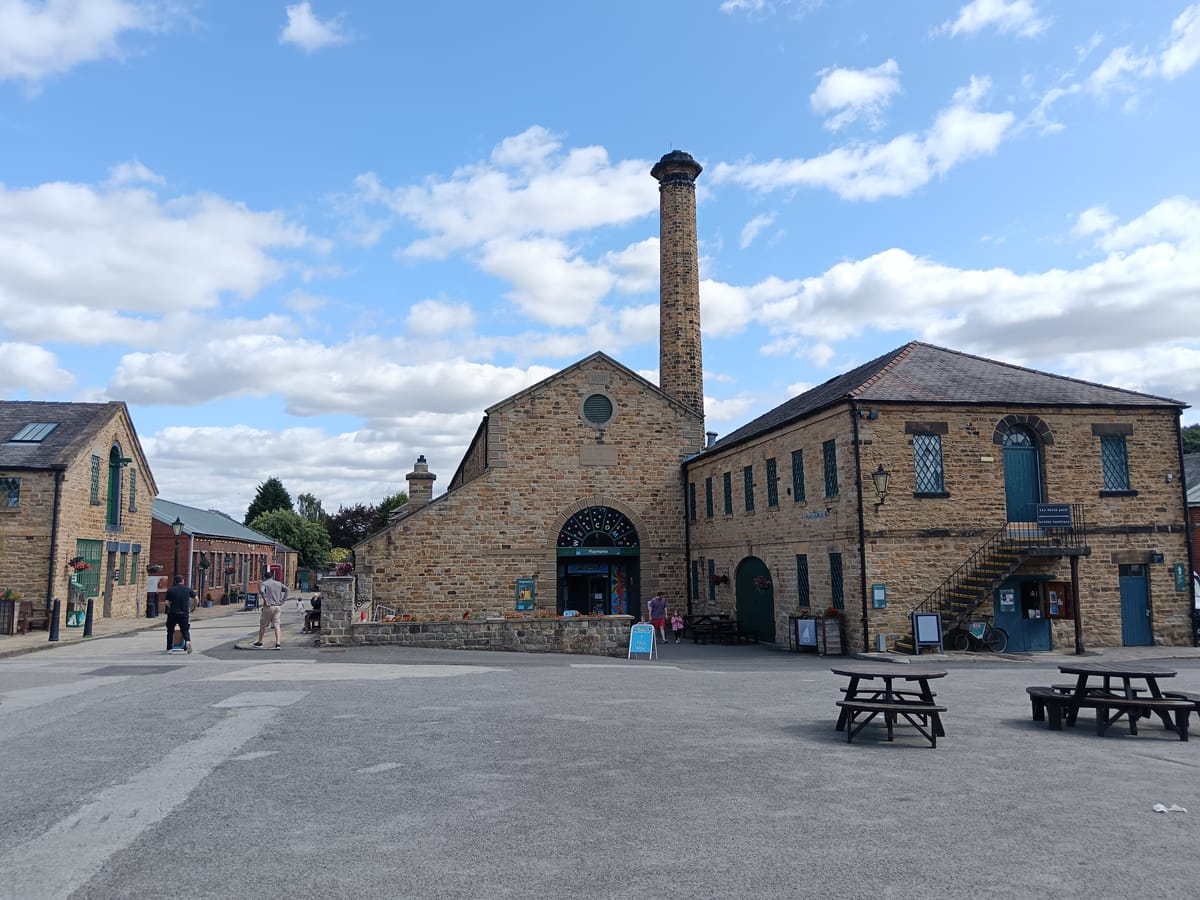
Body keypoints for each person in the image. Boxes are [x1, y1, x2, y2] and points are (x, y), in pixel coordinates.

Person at [254, 569, 289, 649]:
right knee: (277, 625)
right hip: (277, 607)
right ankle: (278, 644)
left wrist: (266, 600)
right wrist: (283, 601)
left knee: (263, 625)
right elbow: (287, 590)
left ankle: (260, 642)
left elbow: (262, 591)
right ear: (272, 577)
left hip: (268, 607)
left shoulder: (264, 583)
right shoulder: (278, 583)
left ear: (264, 577)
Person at [164, 575, 195, 654]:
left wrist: (171, 607)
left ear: (175, 581)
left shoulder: (171, 590)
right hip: (184, 613)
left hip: (173, 613)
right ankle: (188, 642)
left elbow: (167, 602)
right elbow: (196, 598)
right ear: (183, 581)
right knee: (185, 630)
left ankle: (169, 648)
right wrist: (193, 607)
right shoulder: (188, 589)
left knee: (170, 631)